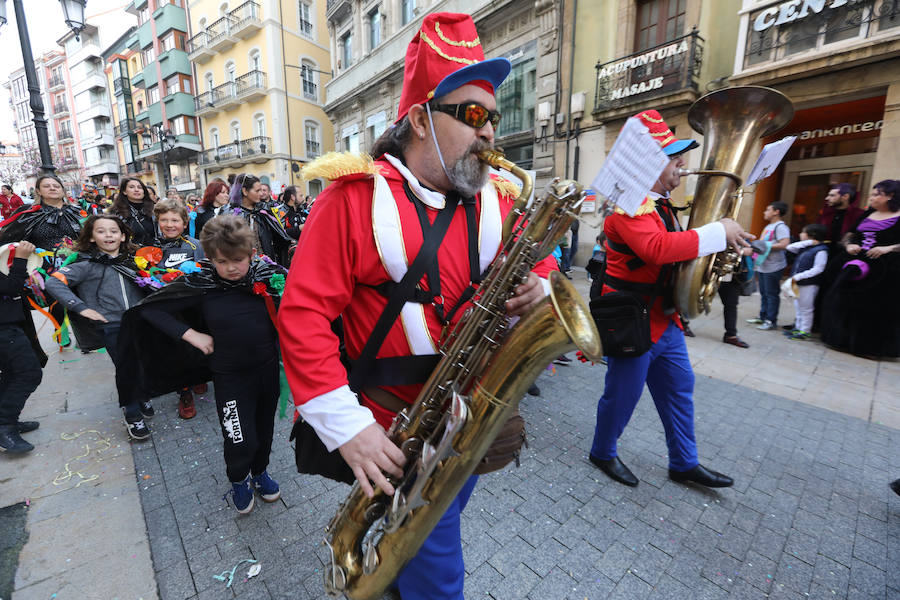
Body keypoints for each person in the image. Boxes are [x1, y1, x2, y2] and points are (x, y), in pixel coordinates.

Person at [278, 13, 555, 599]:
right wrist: (346, 426)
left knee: (419, 549)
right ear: (420, 119)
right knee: (437, 567)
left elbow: (539, 264)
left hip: (463, 414)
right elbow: (303, 318)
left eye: (493, 118)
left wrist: (542, 287)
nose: (489, 134)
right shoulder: (351, 197)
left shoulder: (497, 201)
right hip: (389, 428)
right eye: (473, 116)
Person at [589, 109, 753, 489]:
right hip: (634, 320)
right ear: (647, 165)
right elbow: (657, 249)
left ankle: (684, 462)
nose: (681, 166)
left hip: (665, 319)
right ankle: (602, 451)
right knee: (622, 396)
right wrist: (717, 232)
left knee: (680, 389)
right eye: (673, 159)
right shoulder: (627, 207)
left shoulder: (660, 204)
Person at [132, 216, 286, 513]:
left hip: (267, 371)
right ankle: (239, 479)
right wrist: (191, 335)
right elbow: (150, 309)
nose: (231, 267)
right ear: (210, 258)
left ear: (252, 254)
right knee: (239, 437)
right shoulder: (202, 283)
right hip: (230, 377)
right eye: (222, 261)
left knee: (264, 431)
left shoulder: (267, 275)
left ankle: (260, 472)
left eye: (238, 260)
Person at [44, 215, 152, 440]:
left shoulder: (133, 259)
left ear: (123, 236)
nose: (108, 235)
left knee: (142, 361)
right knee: (125, 368)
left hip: (140, 321)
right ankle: (132, 414)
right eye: (101, 231)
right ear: (92, 238)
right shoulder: (84, 265)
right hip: (111, 325)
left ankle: (141, 397)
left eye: (113, 231)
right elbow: (53, 282)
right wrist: (80, 307)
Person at [821, 180, 900, 358]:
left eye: (876, 194)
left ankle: (870, 348)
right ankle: (841, 341)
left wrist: (889, 248)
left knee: (875, 308)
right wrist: (850, 245)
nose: (871, 197)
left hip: (887, 271)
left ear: (891, 196)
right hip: (856, 266)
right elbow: (849, 236)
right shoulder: (868, 213)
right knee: (843, 302)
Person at [0, 241, 46, 454]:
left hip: (10, 323)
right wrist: (20, 259)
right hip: (3, 329)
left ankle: (7, 419)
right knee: (29, 373)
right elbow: (9, 286)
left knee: (11, 374)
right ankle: (5, 426)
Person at [229, 173, 292, 265]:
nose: (261, 194)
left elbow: (280, 239)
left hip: (266, 265)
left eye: (262, 190)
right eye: (257, 190)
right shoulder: (232, 215)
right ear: (245, 191)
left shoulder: (264, 212)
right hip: (242, 266)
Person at [747, 201, 790, 331]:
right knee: (764, 293)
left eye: (768, 209)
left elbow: (784, 244)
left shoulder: (781, 227)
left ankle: (771, 321)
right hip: (763, 264)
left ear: (776, 212)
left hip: (774, 266)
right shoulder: (769, 226)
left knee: (771, 294)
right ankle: (763, 316)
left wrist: (765, 246)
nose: (764, 212)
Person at [783, 223, 828, 341]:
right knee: (798, 306)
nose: (800, 234)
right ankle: (798, 327)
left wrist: (799, 276)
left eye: (803, 232)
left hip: (809, 283)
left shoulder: (821, 250)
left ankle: (805, 331)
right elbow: (789, 247)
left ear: (811, 235)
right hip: (799, 281)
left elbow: (819, 268)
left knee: (806, 308)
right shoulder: (807, 247)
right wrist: (808, 242)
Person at [110, 178, 157, 247]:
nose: (136, 190)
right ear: (124, 191)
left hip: (155, 252)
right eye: (131, 187)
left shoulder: (154, 209)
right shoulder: (116, 213)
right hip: (129, 253)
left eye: (140, 187)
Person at [818, 183, 865, 249]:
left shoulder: (859, 214)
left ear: (845, 196)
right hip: (824, 250)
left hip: (846, 252)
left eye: (832, 195)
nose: (827, 198)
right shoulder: (827, 213)